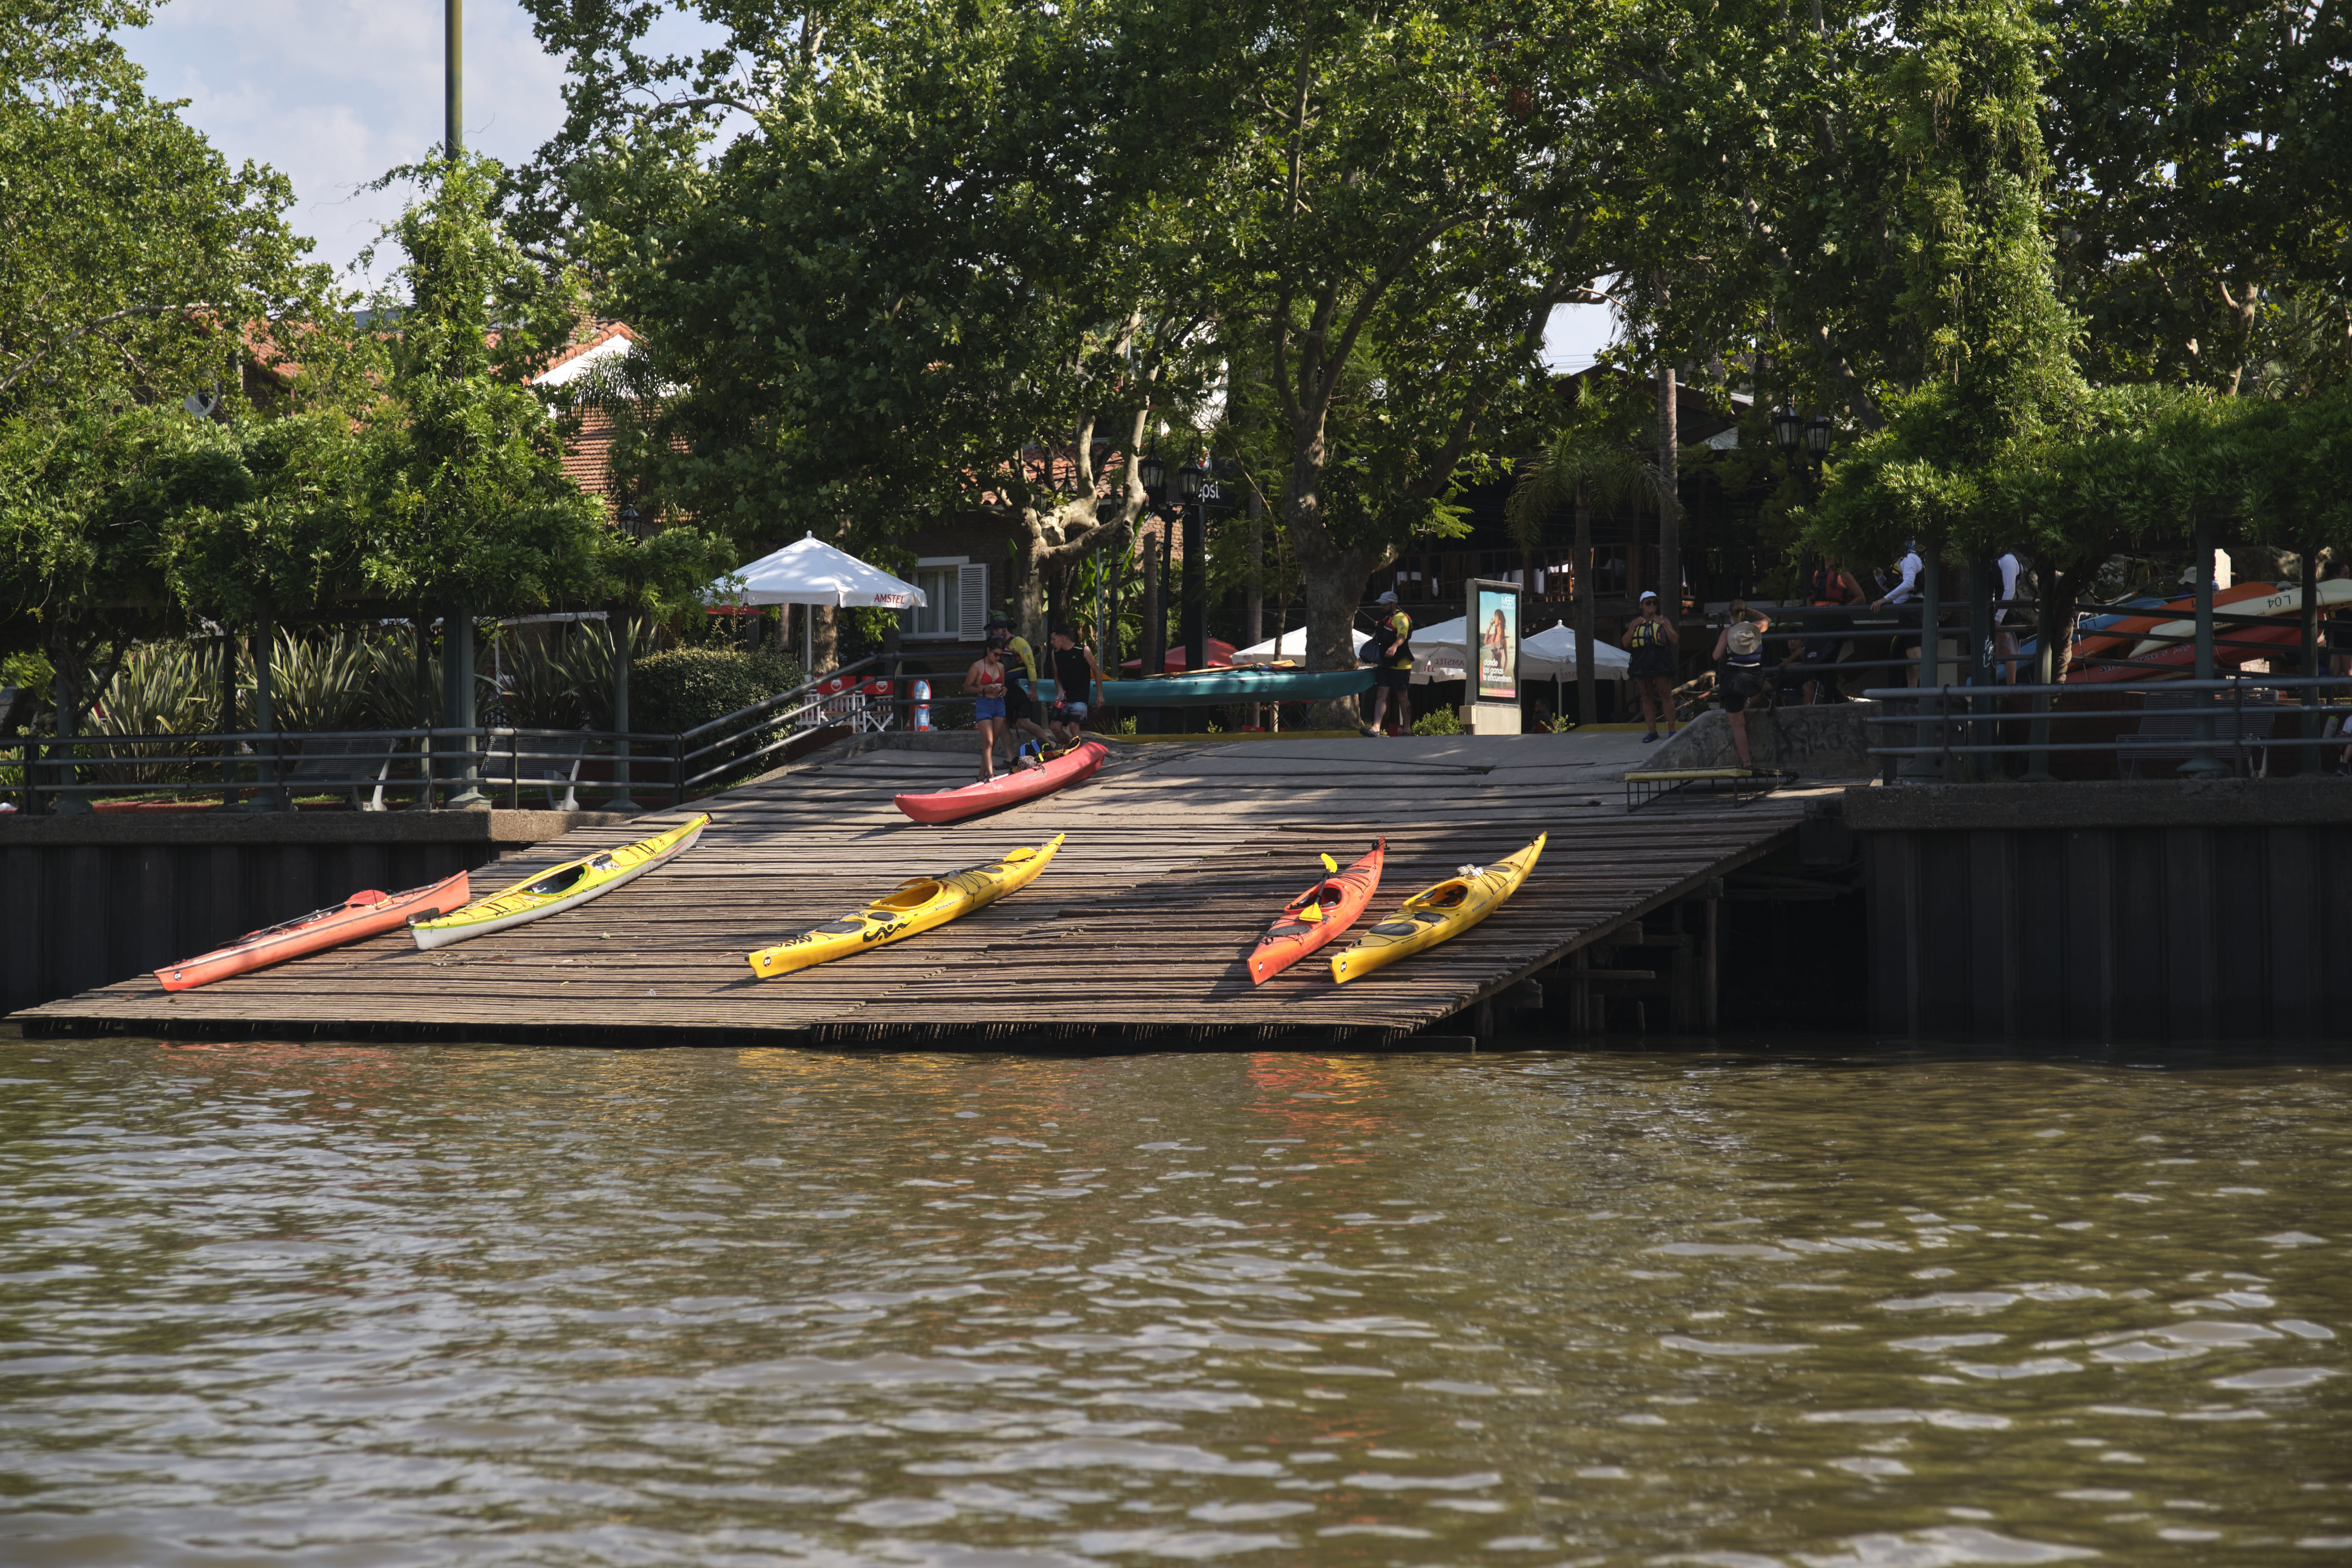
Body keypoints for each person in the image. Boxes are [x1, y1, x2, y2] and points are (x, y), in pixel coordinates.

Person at [984, 614, 1055, 765]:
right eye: (993, 629)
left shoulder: (1019, 643)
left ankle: (1050, 744)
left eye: (997, 629)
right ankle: (1011, 757)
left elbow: (1031, 665)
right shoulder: (995, 646)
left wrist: (1033, 688)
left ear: (1005, 628)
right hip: (1004, 688)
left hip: (1021, 686)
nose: (994, 632)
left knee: (1024, 722)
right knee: (1001, 722)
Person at [1713, 601, 1773, 768]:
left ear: (1730, 615)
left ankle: (1747, 762)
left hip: (1735, 680)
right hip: (1755, 678)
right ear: (1745, 613)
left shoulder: (1728, 632)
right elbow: (1768, 619)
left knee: (1737, 723)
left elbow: (1716, 656)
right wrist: (1752, 611)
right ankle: (1759, 692)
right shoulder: (1757, 627)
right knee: (1762, 686)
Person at [1624, 589, 1679, 742]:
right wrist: (1632, 627)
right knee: (1646, 697)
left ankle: (1672, 731)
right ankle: (1652, 731)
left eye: (1655, 603)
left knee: (1666, 694)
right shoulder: (1636, 623)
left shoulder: (1664, 620)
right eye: (1648, 603)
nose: (1652, 605)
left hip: (1660, 660)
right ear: (1642, 605)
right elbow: (1625, 643)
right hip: (1642, 660)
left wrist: (1664, 625)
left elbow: (1675, 640)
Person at [1871, 541, 1926, 684]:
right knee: (1908, 655)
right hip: (1906, 610)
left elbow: (1908, 584)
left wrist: (1884, 600)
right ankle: (1914, 696)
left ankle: (1929, 687)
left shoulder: (1911, 559)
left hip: (1913, 609)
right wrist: (1878, 576)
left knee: (1913, 652)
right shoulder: (1900, 561)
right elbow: (1895, 589)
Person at [1361, 589, 1413, 737]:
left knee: (1402, 697)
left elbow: (1403, 634)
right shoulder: (1385, 619)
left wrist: (1395, 646)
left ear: (1393, 604)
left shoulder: (1401, 618)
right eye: (1381, 604)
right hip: (1385, 663)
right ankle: (1376, 728)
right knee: (1381, 695)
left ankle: (1407, 730)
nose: (1381, 607)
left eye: (1384, 604)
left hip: (1401, 664)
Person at [1046, 622, 1099, 746]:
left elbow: (1096, 671)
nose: (1052, 643)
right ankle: (1071, 749)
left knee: (1074, 727)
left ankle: (1080, 754)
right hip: (1065, 695)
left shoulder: (1083, 650)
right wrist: (1060, 690)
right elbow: (1057, 675)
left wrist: (1100, 695)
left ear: (1063, 638)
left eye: (1054, 639)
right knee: (1055, 726)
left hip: (1080, 695)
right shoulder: (1056, 653)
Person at [963, 643, 1009, 781]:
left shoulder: (1001, 667)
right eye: (996, 654)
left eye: (1001, 655)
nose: (998, 658)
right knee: (988, 742)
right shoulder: (977, 666)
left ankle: (981, 776)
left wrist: (1004, 690)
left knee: (992, 743)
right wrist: (984, 690)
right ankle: (991, 776)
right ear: (988, 651)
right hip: (984, 704)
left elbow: (1004, 685)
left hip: (999, 704)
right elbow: (967, 687)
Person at [1993, 548, 2025, 684]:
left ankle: (2011, 688)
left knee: (2008, 651)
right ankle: (1991, 688)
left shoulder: (2008, 560)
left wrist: (1998, 618)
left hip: (2003, 613)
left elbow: (2010, 591)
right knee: (1991, 651)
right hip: (1995, 610)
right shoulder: (1995, 560)